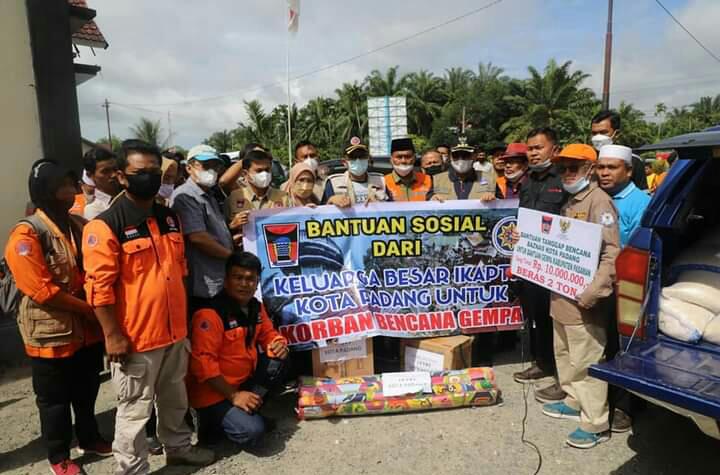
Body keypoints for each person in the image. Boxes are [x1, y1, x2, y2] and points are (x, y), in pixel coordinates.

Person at [82, 139, 214, 474]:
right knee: (134, 411)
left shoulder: (169, 218)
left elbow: (181, 270)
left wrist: (183, 322)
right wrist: (112, 337)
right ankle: (132, 468)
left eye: (154, 171)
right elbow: (98, 290)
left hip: (174, 332)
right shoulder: (105, 225)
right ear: (122, 177)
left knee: (175, 401)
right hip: (135, 339)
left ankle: (179, 449)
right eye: (140, 172)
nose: (149, 177)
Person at [5, 159, 109, 475]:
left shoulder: (77, 224)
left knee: (87, 388)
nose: (69, 191)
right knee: (54, 401)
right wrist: (91, 309)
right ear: (43, 191)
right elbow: (42, 291)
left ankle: (89, 438)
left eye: (70, 184)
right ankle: (59, 457)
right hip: (51, 333)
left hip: (86, 330)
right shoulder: (26, 235)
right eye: (61, 186)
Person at [541, 143, 620, 449]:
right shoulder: (572, 198)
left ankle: (596, 423)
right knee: (565, 355)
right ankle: (573, 401)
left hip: (583, 301)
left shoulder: (599, 202)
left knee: (587, 360)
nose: (567, 173)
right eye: (563, 168)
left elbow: (612, 252)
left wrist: (594, 291)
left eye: (573, 167)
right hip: (561, 297)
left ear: (590, 169)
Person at [188, 252, 289, 447]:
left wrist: (279, 342)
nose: (244, 284)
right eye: (238, 277)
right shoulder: (209, 315)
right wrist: (234, 396)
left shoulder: (255, 307)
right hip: (215, 393)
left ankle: (248, 411)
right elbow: (203, 367)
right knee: (253, 433)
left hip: (242, 383)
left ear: (257, 283)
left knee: (280, 358)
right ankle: (213, 423)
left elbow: (269, 333)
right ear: (226, 281)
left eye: (250, 279)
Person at [514, 128, 569, 406]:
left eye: (539, 148)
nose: (533, 153)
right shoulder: (527, 181)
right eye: (530, 149)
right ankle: (542, 362)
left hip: (557, 262)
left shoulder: (564, 179)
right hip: (530, 261)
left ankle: (563, 375)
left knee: (559, 318)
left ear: (554, 149)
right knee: (535, 315)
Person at [171, 145, 235, 311]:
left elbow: (214, 232)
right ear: (189, 168)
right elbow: (197, 237)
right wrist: (232, 257)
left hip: (218, 279)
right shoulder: (186, 196)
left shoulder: (208, 195)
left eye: (215, 166)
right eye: (206, 166)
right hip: (203, 285)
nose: (212, 171)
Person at [597, 145, 651, 248]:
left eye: (612, 167)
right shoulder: (594, 196)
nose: (604, 173)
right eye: (600, 167)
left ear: (629, 171)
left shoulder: (642, 204)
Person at [590, 110, 647, 190]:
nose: (598, 137)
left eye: (603, 132)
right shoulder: (586, 159)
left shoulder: (633, 160)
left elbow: (642, 194)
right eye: (594, 133)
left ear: (616, 134)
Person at [323, 138, 387, 206]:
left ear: (368, 159)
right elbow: (322, 212)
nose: (358, 160)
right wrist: (331, 200)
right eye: (353, 157)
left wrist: (379, 205)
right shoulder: (333, 183)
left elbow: (393, 206)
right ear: (344, 162)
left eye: (362, 156)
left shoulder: (382, 181)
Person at [384, 137, 433, 202]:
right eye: (399, 157)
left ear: (414, 158)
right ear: (391, 160)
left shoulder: (428, 180)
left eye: (408, 157)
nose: (403, 161)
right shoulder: (383, 182)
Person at [82, 148, 121, 220]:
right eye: (105, 171)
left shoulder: (131, 194)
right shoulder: (93, 210)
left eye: (115, 169)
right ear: (90, 175)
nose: (114, 175)